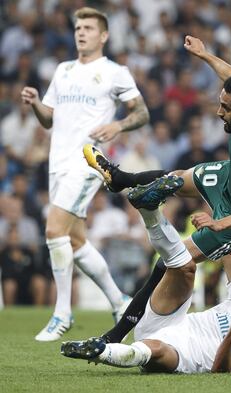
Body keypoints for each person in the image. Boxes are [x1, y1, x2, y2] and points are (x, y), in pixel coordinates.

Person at [60, 34, 231, 346]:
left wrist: (219, 222)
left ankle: (114, 336)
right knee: (174, 179)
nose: (219, 112)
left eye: (225, 108)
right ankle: (120, 178)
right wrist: (204, 55)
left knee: (171, 260)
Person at [61, 182, 231, 374]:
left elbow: (221, 369)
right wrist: (230, 229)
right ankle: (149, 210)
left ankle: (101, 351)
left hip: (183, 356)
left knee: (154, 349)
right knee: (185, 267)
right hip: (170, 320)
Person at [20, 7, 150, 341]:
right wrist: (36, 103)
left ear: (103, 35)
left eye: (89, 28)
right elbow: (49, 118)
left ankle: (62, 312)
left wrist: (118, 124)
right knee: (74, 241)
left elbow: (142, 112)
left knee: (53, 229)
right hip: (58, 162)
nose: (81, 32)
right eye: (78, 27)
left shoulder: (115, 73)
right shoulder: (62, 71)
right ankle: (119, 300)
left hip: (88, 161)